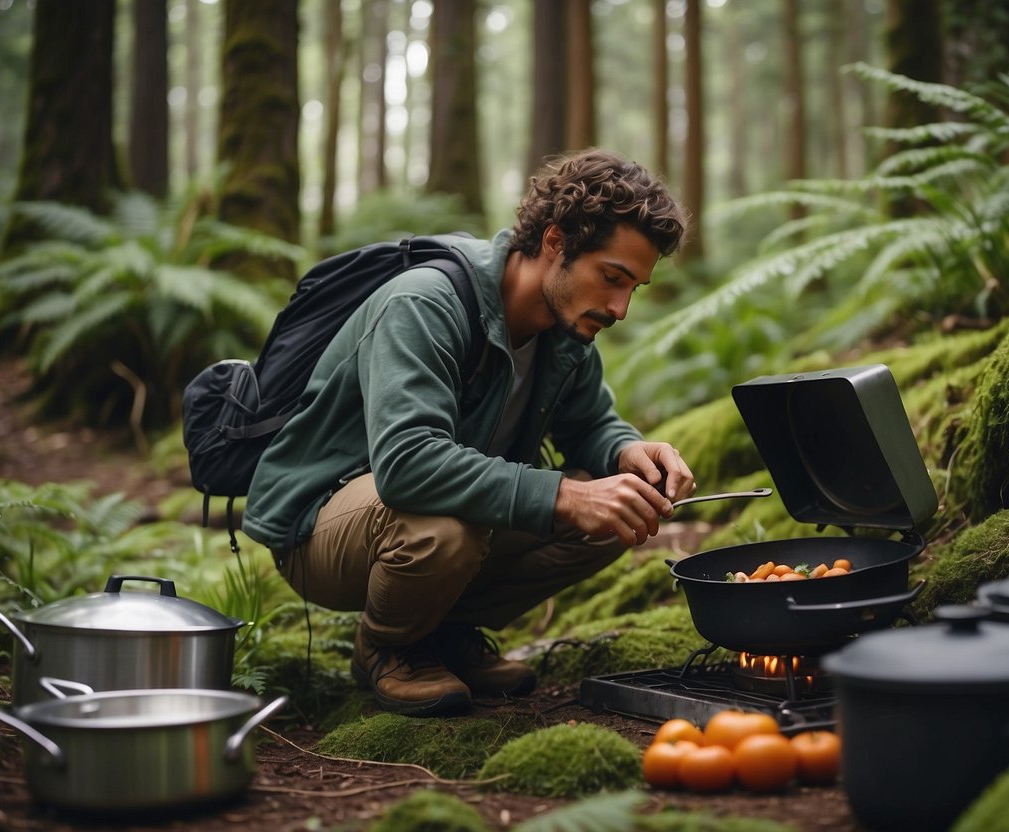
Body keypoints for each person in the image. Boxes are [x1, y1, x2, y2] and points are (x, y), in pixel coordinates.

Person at [243, 149, 697, 716]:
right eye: (612, 278)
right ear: (555, 241)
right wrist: (566, 495)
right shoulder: (427, 304)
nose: (621, 307)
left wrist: (629, 451)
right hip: (321, 528)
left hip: (435, 512)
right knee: (447, 526)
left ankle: (446, 633)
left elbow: (592, 425)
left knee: (618, 509)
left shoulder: (567, 332)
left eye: (635, 288)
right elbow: (409, 464)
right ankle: (388, 647)